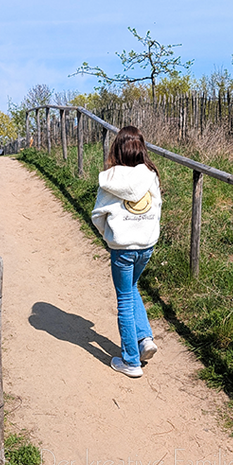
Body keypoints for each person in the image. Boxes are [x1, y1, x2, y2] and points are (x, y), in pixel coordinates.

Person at [90, 126, 162, 378]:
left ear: (117, 150)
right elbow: (157, 206)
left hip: (122, 249)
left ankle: (130, 360)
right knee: (131, 288)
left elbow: (98, 215)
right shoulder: (151, 176)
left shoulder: (110, 180)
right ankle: (144, 339)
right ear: (141, 149)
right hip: (146, 246)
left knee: (124, 298)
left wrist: (109, 236)